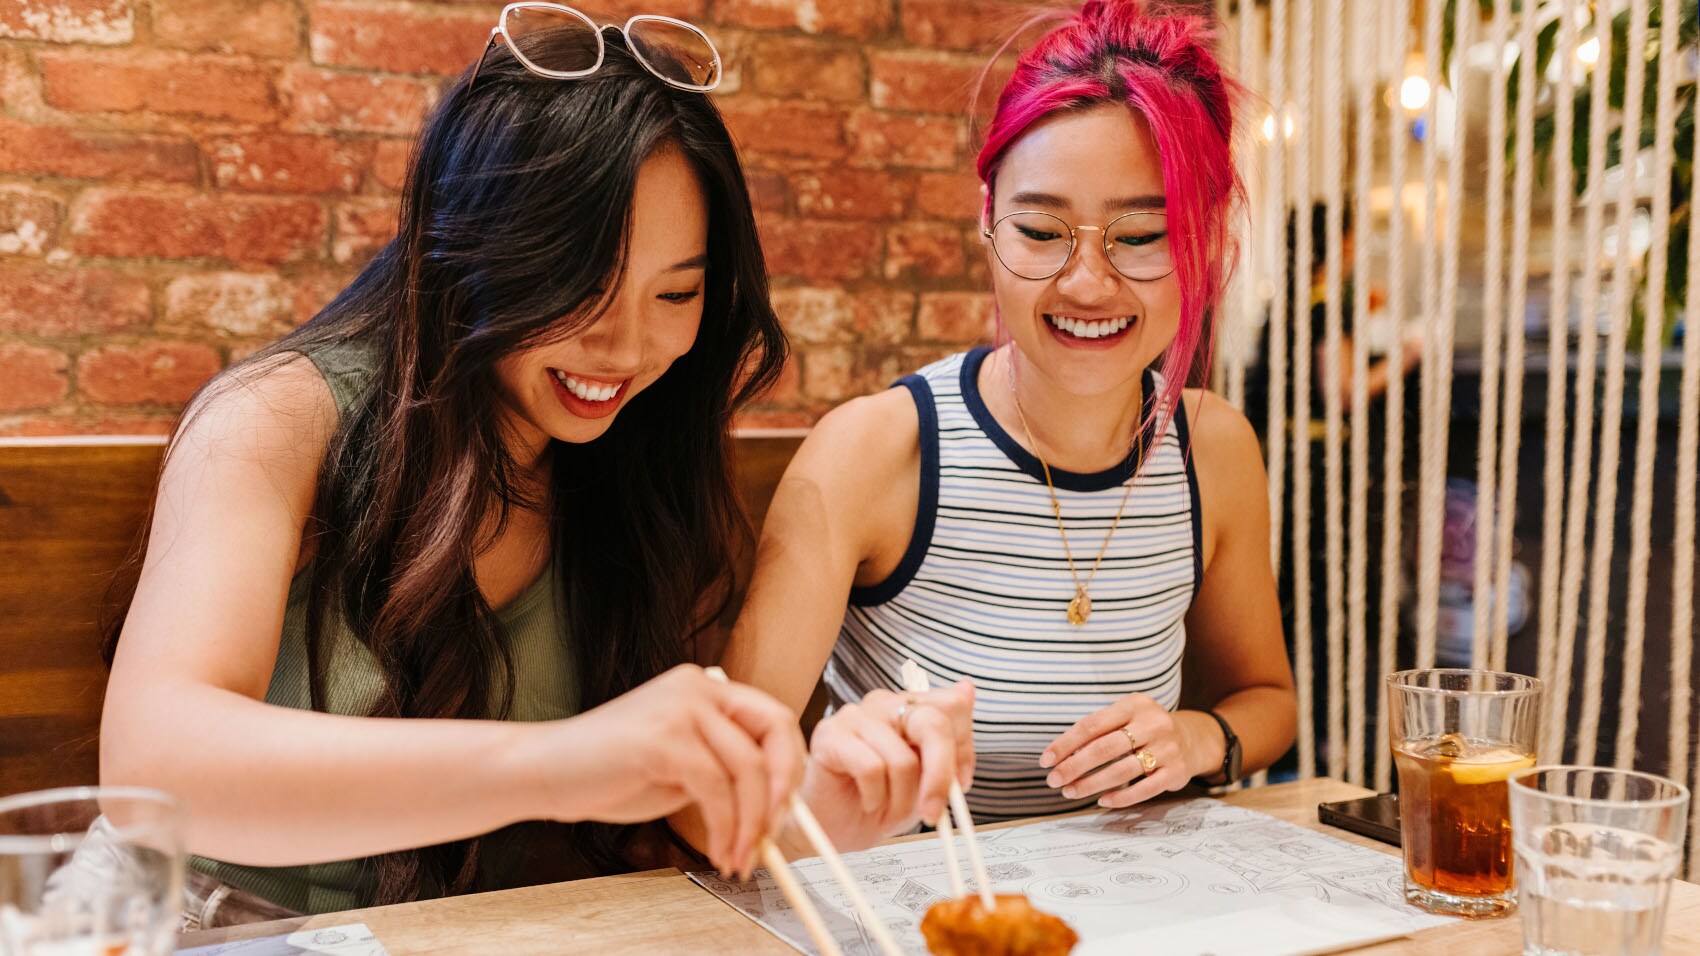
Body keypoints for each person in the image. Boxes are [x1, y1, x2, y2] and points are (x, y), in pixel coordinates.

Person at [98, 10, 806, 927]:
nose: (628, 345)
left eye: (676, 292)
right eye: (579, 283)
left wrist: (832, 782)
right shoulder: (279, 418)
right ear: (475, 250)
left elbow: (659, 826)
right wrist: (568, 760)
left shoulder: (638, 459)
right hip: (170, 923)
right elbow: (153, 768)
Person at [722, 0, 1297, 830]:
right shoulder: (876, 453)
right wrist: (828, 772)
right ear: (987, 220)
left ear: (1208, 244)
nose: (1087, 283)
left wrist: (1197, 738)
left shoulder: (1212, 449)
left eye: (1141, 235)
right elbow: (727, 780)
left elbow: (1266, 700)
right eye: (1040, 229)